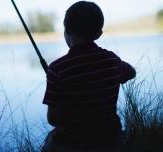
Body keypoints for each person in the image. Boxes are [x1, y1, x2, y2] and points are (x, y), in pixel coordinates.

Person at [42, 1, 136, 151]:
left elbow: (52, 119)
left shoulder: (57, 69)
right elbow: (132, 73)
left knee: (50, 139)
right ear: (99, 34)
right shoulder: (112, 60)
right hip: (110, 137)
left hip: (74, 143)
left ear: (66, 30)